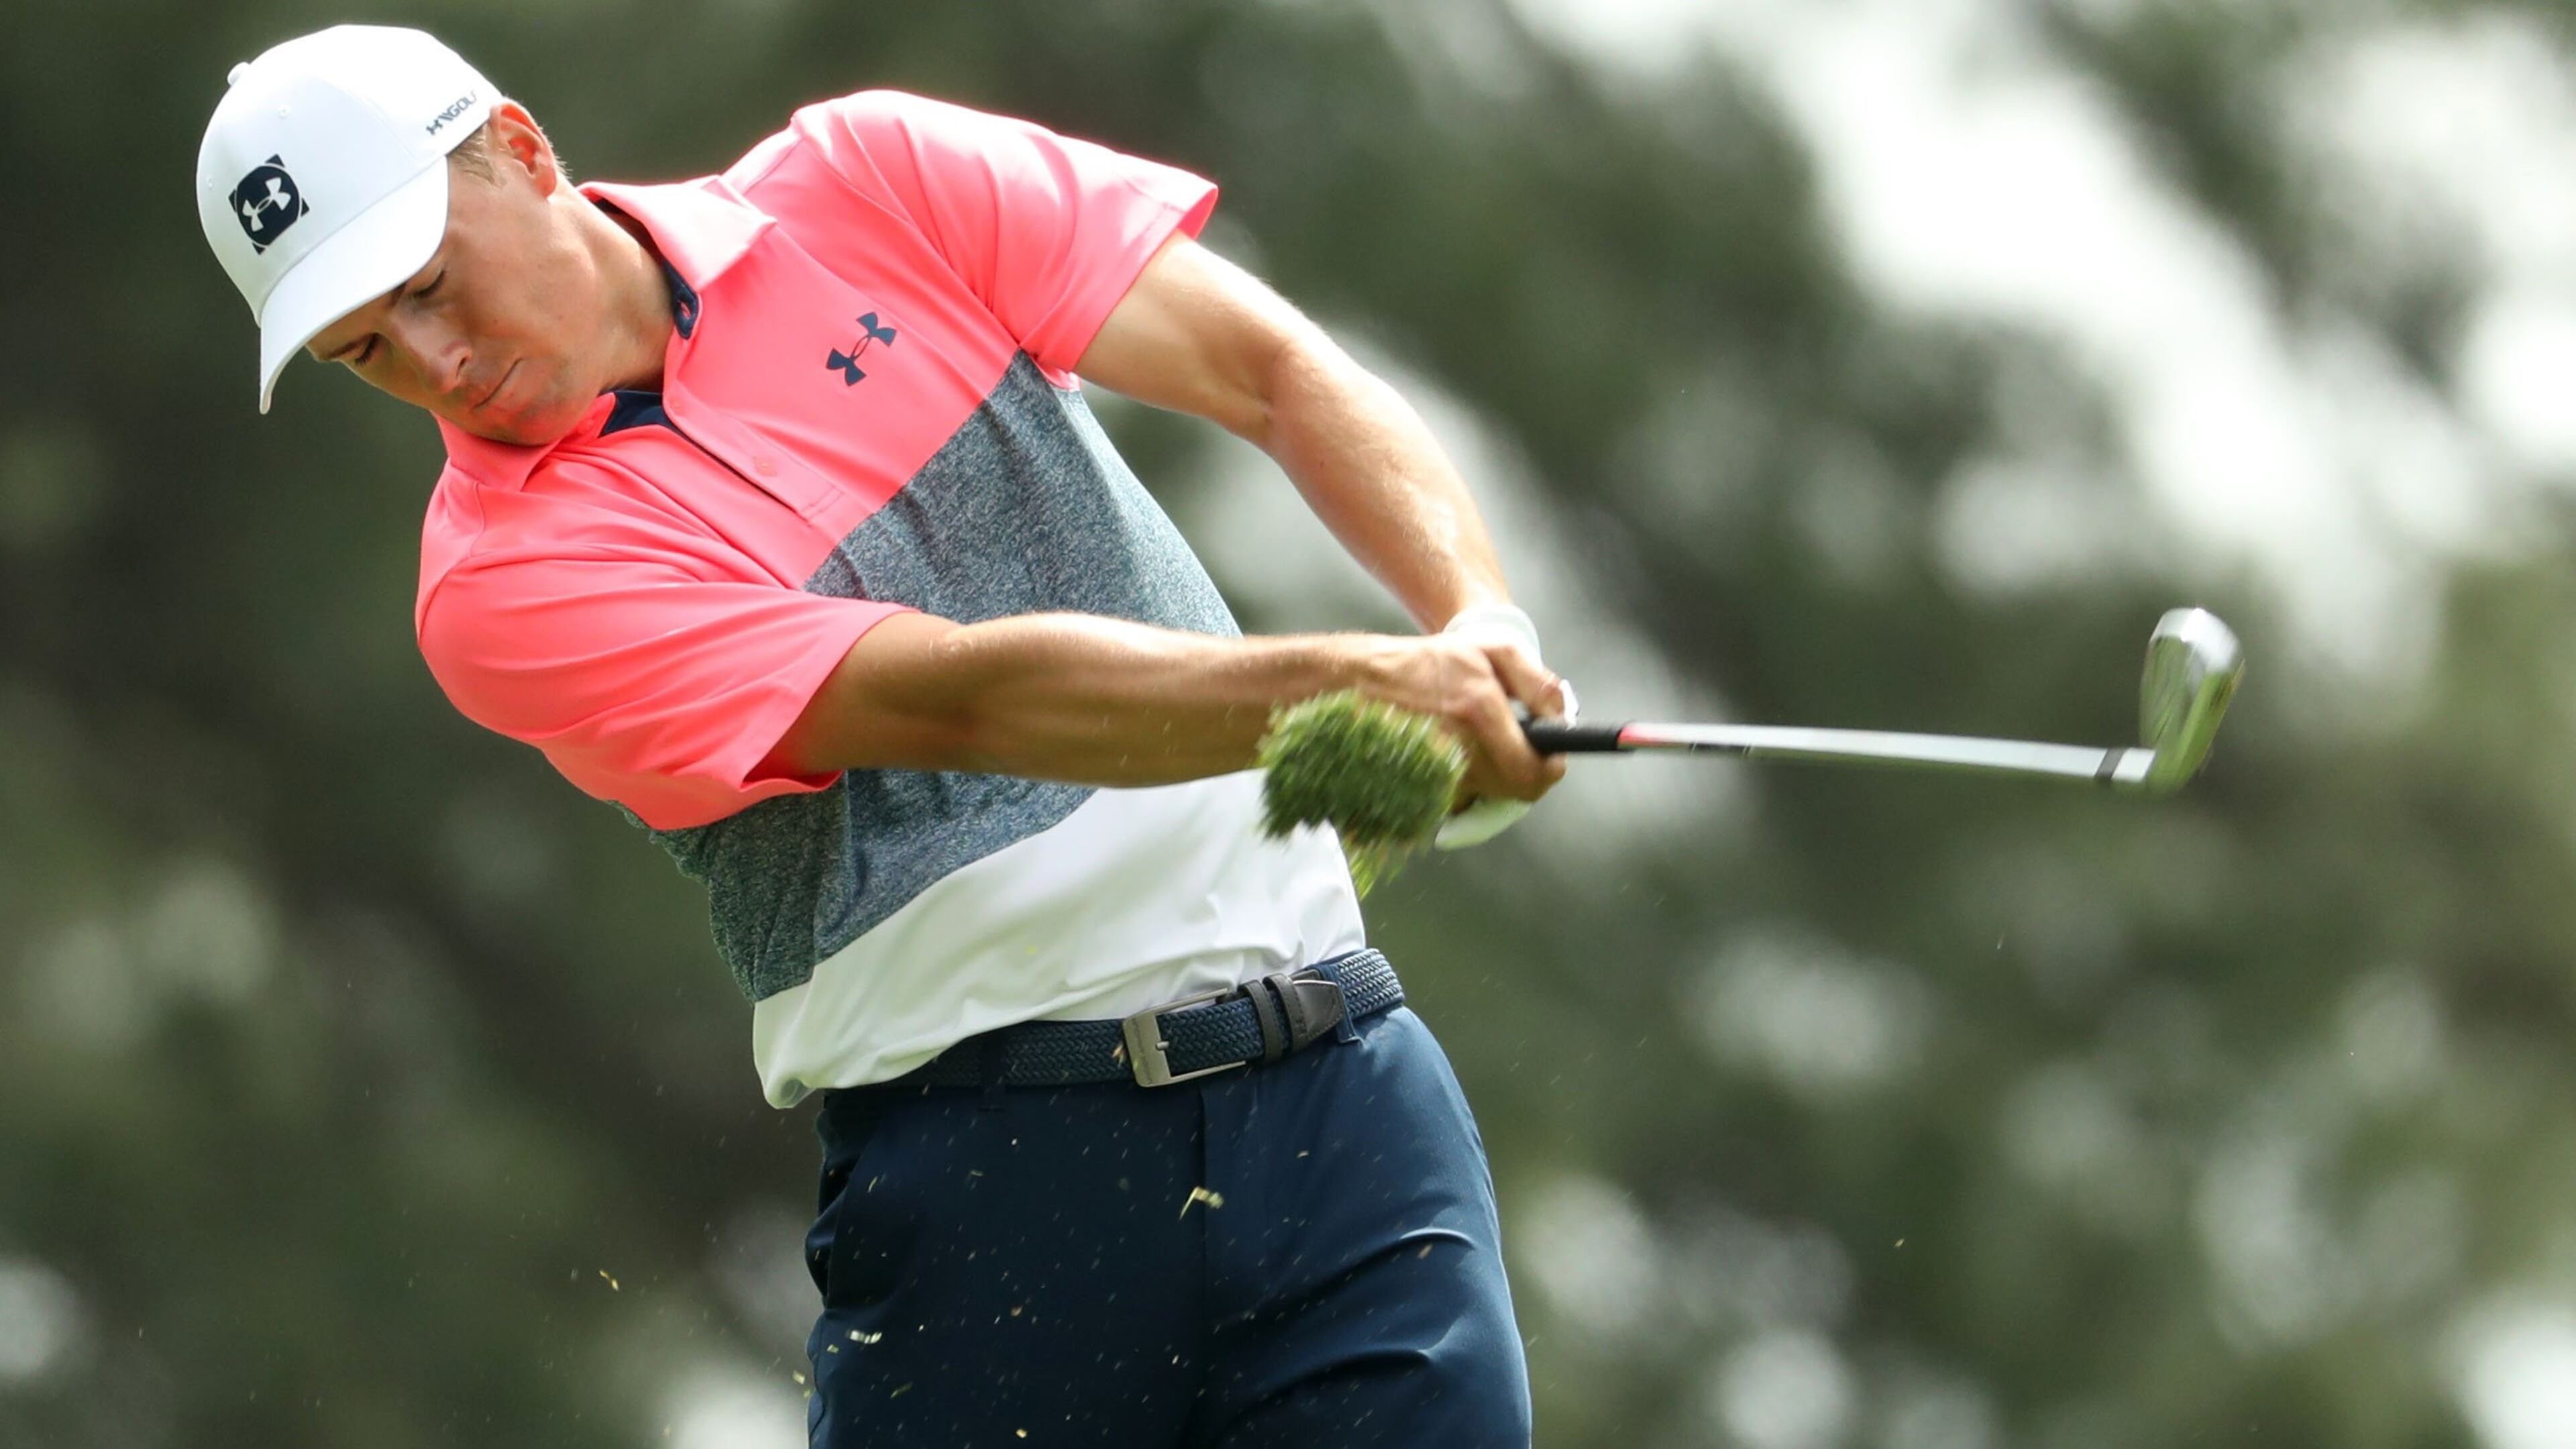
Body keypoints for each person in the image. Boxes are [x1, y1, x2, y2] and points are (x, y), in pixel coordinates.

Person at [197, 23, 1568, 1446]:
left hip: (1347, 1111)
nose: (435, 360)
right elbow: (964, 700)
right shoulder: (498, 588)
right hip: (1000, 1193)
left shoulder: (870, 177)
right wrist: (1355, 692)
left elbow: (1266, 368)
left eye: (429, 284)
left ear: (527, 151)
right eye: (367, 348)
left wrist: (1479, 626)